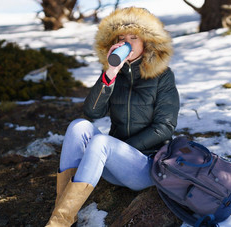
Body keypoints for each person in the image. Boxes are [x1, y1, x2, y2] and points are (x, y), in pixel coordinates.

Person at [46, 7, 180, 227]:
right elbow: (92, 113)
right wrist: (110, 74)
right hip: (111, 161)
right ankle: (62, 214)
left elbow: (164, 127)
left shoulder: (163, 76)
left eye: (133, 37)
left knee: (101, 142)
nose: (126, 42)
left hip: (145, 166)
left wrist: (119, 147)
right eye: (121, 38)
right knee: (78, 126)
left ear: (147, 41)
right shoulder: (113, 71)